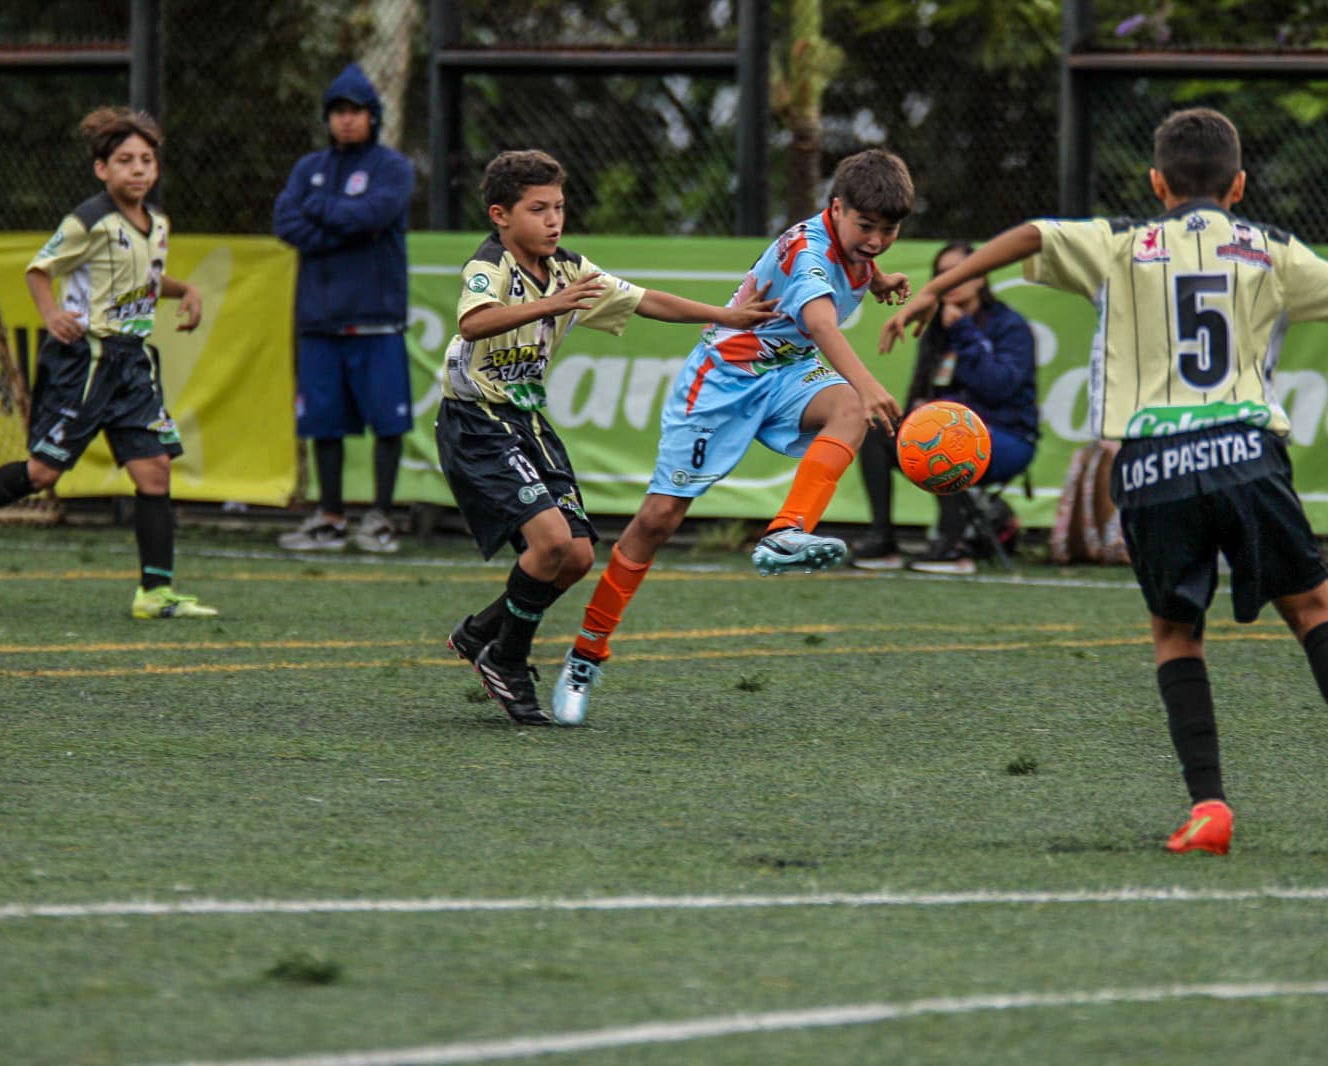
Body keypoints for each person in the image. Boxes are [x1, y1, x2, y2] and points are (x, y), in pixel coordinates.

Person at [882, 108, 1328, 855]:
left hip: (1149, 463)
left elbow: (1033, 233)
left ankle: (1209, 806)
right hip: (1245, 449)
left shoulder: (1121, 243)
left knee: (1176, 633)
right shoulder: (1271, 248)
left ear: (1155, 182)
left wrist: (939, 285)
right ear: (1239, 184)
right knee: (1310, 605)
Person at [549, 149, 916, 726]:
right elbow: (820, 323)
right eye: (865, 227)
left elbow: (855, 271)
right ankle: (585, 654)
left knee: (848, 409)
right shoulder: (810, 251)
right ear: (835, 208)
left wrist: (880, 279)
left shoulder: (852, 247)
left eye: (888, 231)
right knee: (658, 521)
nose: (874, 241)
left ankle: (786, 533)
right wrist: (869, 382)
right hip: (724, 379)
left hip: (786, 374)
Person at [438, 149, 777, 725]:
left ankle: (482, 631)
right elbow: (473, 321)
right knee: (547, 544)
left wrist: (727, 316)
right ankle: (507, 661)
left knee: (574, 557)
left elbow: (647, 300)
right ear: (501, 215)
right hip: (476, 423)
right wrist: (551, 304)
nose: (553, 220)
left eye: (560, 207)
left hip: (527, 422)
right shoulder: (489, 265)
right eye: (538, 209)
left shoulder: (569, 268)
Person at [0, 107, 216, 620]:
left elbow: (146, 282)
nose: (137, 169)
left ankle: (154, 593)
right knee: (44, 472)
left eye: (146, 160)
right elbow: (38, 270)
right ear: (102, 169)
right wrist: (51, 314)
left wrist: (187, 290)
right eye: (124, 160)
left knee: (155, 471)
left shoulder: (156, 224)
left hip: (132, 364)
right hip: (86, 360)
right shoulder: (87, 220)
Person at [273, 63, 415, 554]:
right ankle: (330, 517)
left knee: (388, 422)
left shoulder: (393, 167)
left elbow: (373, 215)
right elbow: (286, 222)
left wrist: (323, 211)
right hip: (319, 321)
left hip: (377, 319)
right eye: (338, 111)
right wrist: (346, 225)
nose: (347, 120)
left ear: (372, 116)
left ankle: (380, 518)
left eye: (356, 111)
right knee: (323, 421)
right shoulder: (307, 168)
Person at [850, 240, 1039, 574]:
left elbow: (1000, 386)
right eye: (941, 274)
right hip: (949, 431)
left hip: (1008, 437)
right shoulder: (936, 330)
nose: (949, 281)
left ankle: (953, 546)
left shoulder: (1009, 326)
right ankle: (883, 539)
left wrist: (962, 330)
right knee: (879, 428)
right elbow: (918, 397)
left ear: (979, 276)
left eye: (957, 273)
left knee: (947, 427)